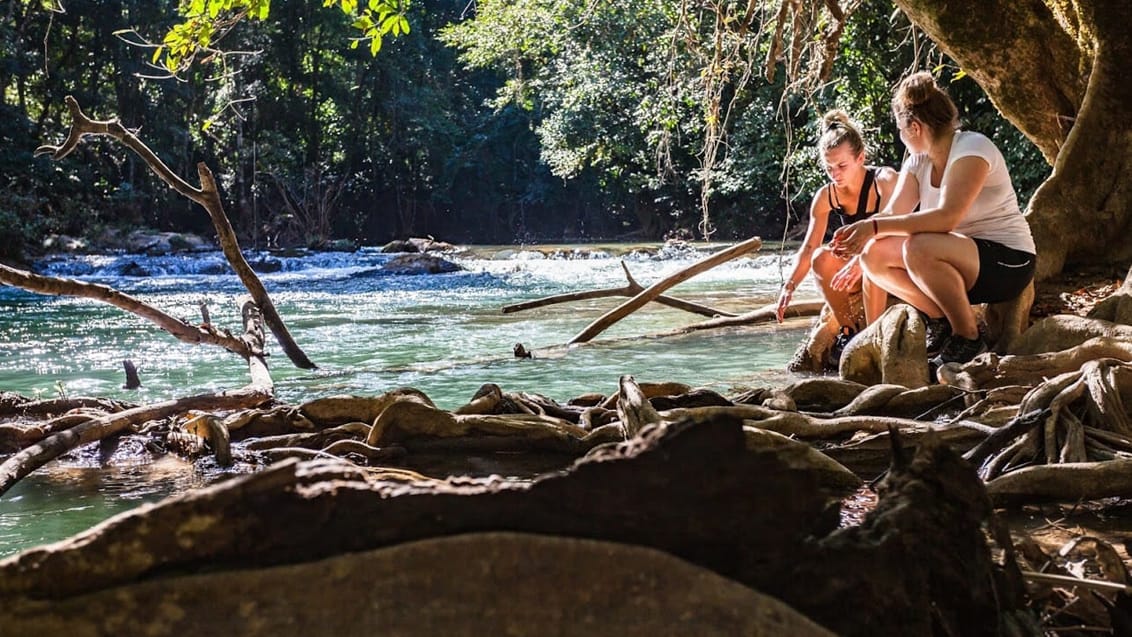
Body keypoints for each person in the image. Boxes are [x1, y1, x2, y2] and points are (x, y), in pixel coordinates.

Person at [831, 71, 1036, 368]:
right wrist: (861, 239)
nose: (902, 139)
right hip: (956, 263)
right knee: (873, 255)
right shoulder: (918, 161)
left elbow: (946, 218)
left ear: (914, 128)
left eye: (901, 131)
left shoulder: (972, 149)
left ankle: (968, 338)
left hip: (1009, 263)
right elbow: (892, 214)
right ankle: (940, 321)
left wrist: (873, 226)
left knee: (919, 246)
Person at [775, 109, 898, 360]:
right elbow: (809, 248)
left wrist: (859, 260)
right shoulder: (826, 196)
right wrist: (789, 287)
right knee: (822, 256)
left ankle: (873, 337)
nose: (836, 173)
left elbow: (891, 228)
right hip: (858, 265)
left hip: (890, 258)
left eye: (842, 165)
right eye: (829, 167)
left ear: (860, 157)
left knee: (872, 256)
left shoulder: (884, 179)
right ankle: (848, 330)